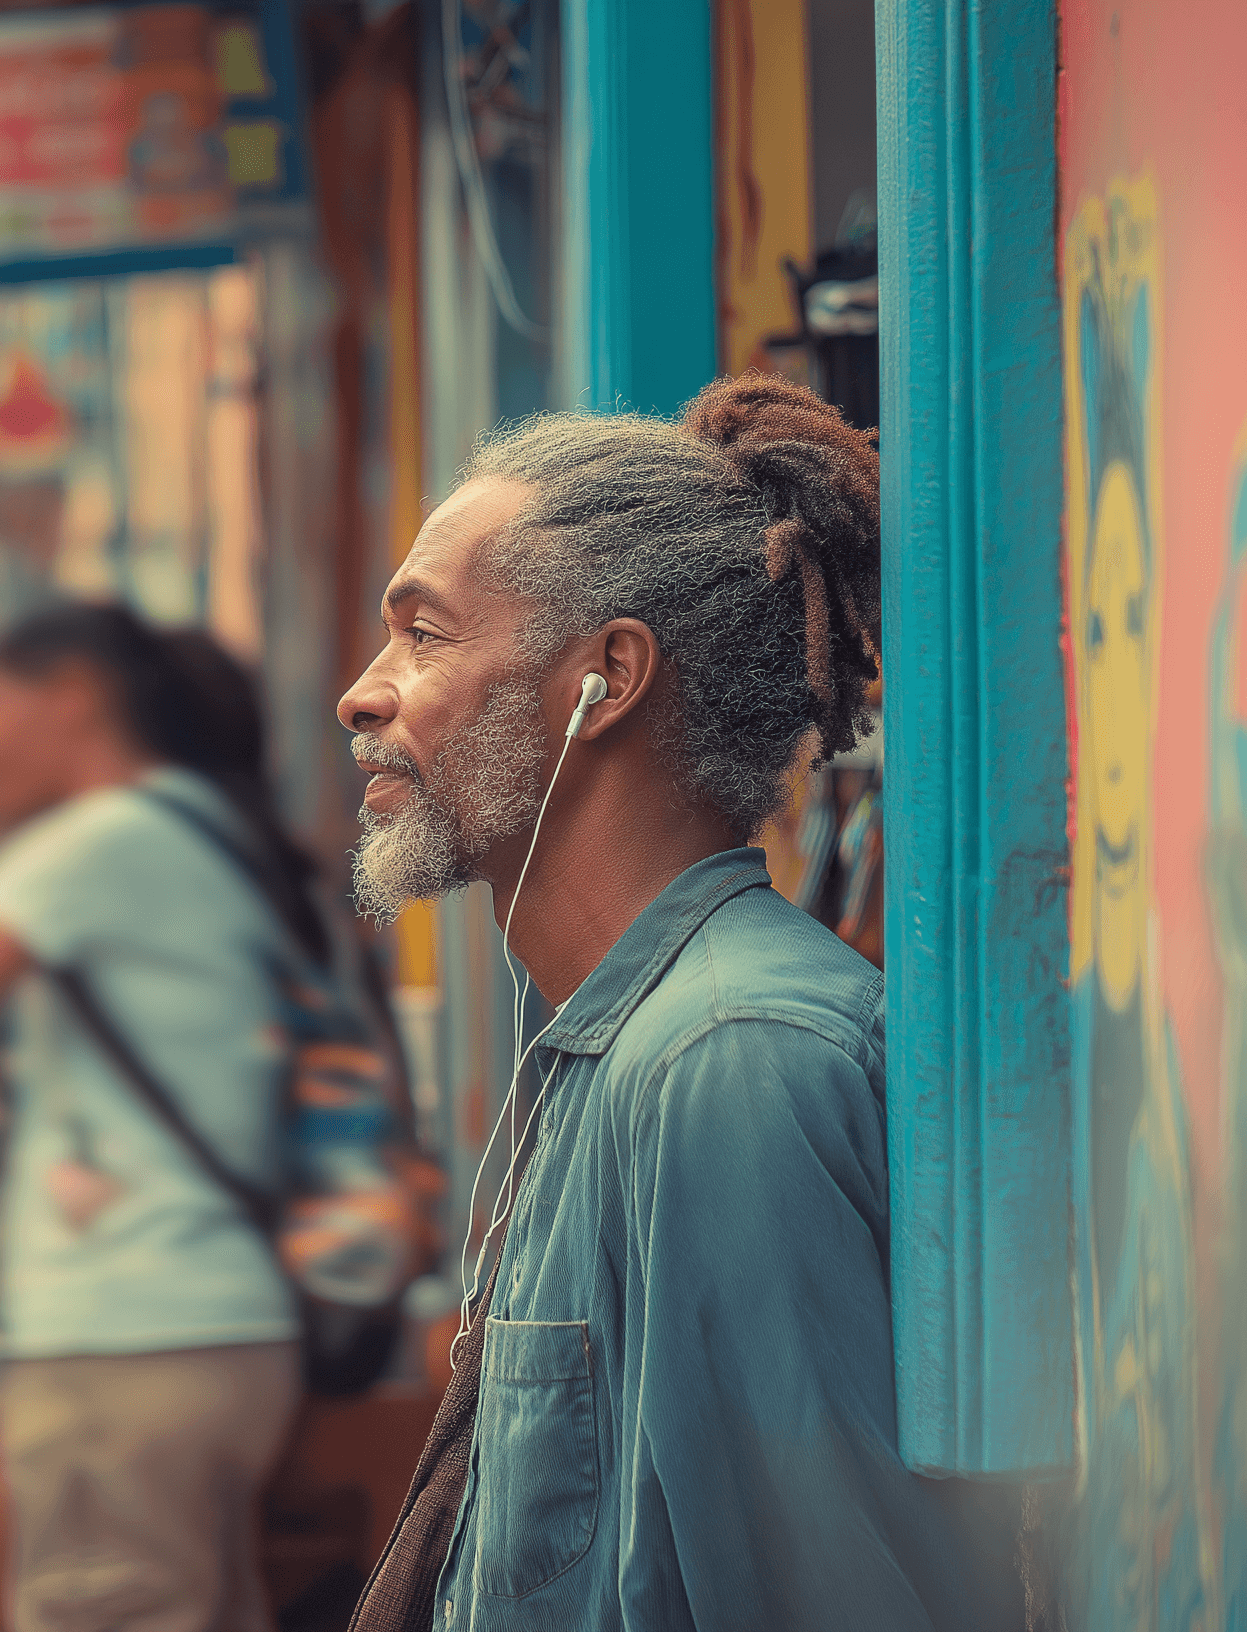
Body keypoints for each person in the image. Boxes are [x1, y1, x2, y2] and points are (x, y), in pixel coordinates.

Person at [339, 373, 1016, 1631]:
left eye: (423, 635)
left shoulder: (725, 1061)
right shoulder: (613, 1045)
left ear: (608, 675)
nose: (363, 693)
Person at [0, 603, 323, 1632]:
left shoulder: (102, 841)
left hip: (123, 1340)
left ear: (72, 698)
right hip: (226, 1332)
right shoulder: (210, 830)